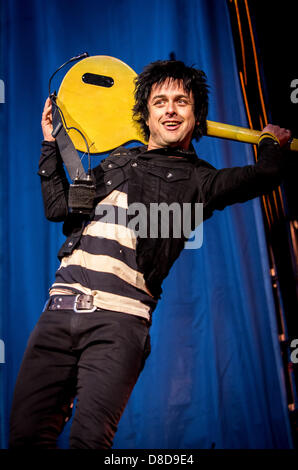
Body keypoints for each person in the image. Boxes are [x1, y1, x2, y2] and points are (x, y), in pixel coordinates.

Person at [9, 60, 291, 449]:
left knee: (88, 442)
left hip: (119, 325)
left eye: (182, 102)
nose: (170, 110)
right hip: (57, 314)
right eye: (160, 101)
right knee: (25, 436)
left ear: (196, 115)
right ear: (145, 113)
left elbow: (264, 176)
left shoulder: (200, 181)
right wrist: (49, 141)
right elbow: (59, 208)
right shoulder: (115, 163)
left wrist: (270, 142)